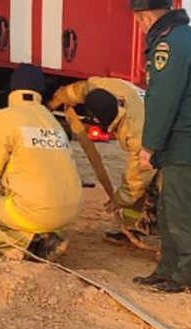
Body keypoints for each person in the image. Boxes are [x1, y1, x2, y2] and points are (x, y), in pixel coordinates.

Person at [129, 0, 191, 294]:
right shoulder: (184, 36)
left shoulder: (170, 44)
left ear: (146, 16)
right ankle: (167, 269)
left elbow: (163, 100)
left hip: (184, 145)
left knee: (182, 215)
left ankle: (184, 276)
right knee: (168, 212)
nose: (140, 27)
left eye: (139, 20)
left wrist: (149, 146)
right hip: (179, 145)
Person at [0, 64, 83, 260]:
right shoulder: (52, 121)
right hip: (71, 209)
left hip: (39, 211)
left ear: (13, 88)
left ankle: (37, 244)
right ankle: (47, 233)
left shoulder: (5, 117)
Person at [48, 76, 157, 237]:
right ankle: (131, 229)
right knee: (135, 187)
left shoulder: (135, 131)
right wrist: (63, 96)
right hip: (156, 123)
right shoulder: (105, 88)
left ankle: (153, 231)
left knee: (153, 186)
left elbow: (140, 173)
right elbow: (83, 88)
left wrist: (121, 198)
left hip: (172, 144)